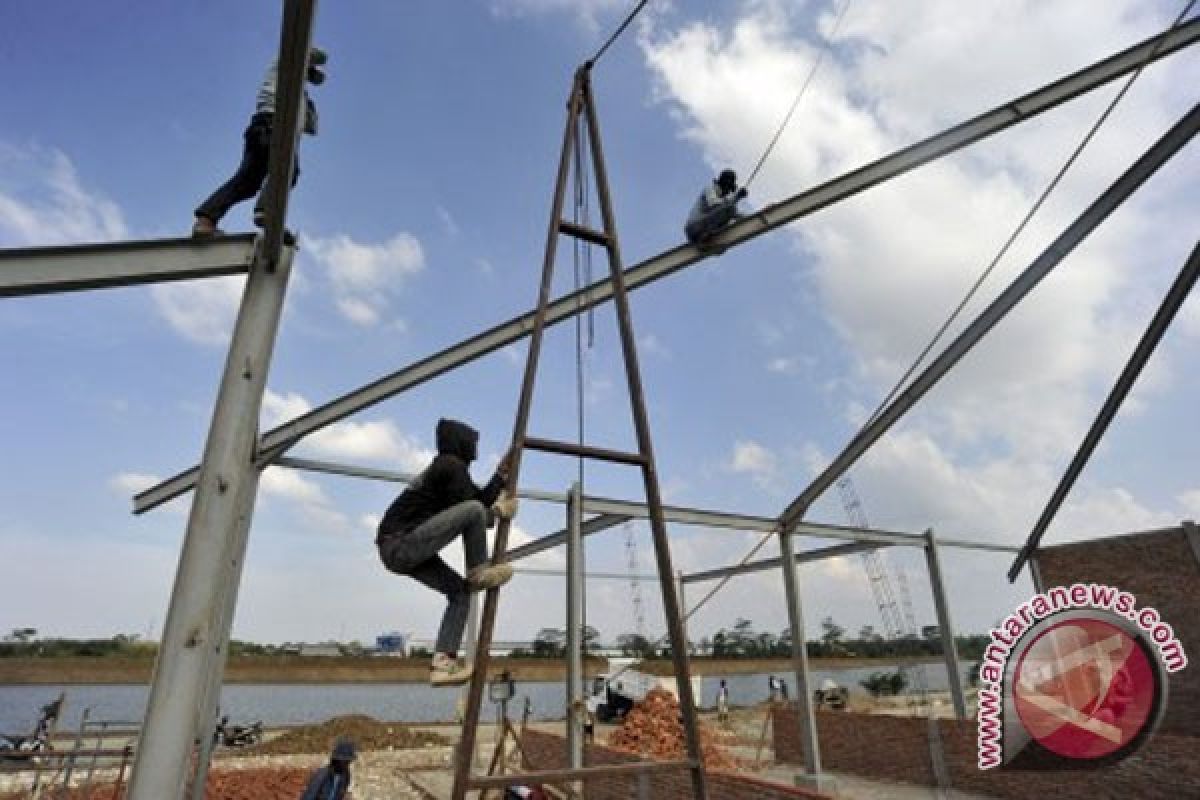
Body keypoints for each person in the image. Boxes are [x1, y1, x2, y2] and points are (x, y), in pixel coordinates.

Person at [376, 418, 518, 686]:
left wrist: (500, 476)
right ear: (461, 442)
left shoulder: (449, 470)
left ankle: (443, 665)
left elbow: (476, 501)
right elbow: (476, 509)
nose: (476, 448)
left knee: (459, 593)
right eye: (473, 443)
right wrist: (496, 512)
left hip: (400, 549)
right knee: (476, 514)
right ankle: (478, 572)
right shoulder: (449, 464)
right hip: (401, 542)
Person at [192, 47, 327, 238]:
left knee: (246, 183)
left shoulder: (298, 94)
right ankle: (268, 212)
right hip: (272, 124)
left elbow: (312, 129)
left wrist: (308, 102)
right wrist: (312, 69)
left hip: (262, 130)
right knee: (289, 170)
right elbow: (319, 54)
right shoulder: (283, 65)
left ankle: (205, 222)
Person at [684, 168, 747, 245]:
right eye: (729, 187)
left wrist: (751, 217)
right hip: (694, 226)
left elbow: (735, 214)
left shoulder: (724, 200)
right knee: (728, 208)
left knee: (729, 212)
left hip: (702, 228)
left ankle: (706, 238)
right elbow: (713, 204)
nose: (728, 191)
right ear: (724, 182)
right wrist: (736, 197)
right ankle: (704, 236)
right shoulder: (710, 188)